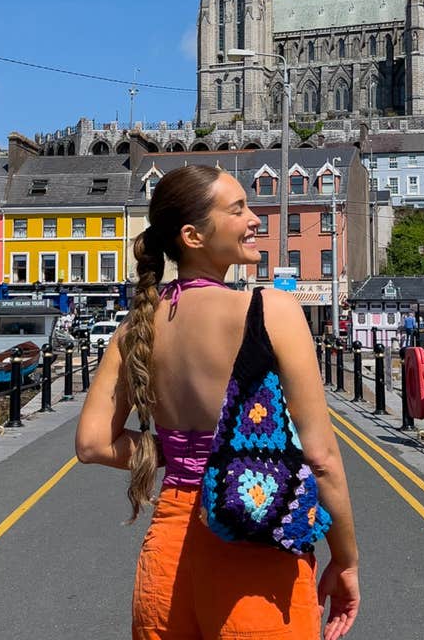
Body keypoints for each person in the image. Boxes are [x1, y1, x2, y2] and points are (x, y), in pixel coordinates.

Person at [76, 165, 359, 640]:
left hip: (168, 554)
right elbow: (322, 459)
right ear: (192, 235)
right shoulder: (270, 310)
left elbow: (92, 445)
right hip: (253, 546)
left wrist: (173, 451)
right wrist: (346, 561)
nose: (254, 219)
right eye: (238, 209)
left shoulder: (135, 327)